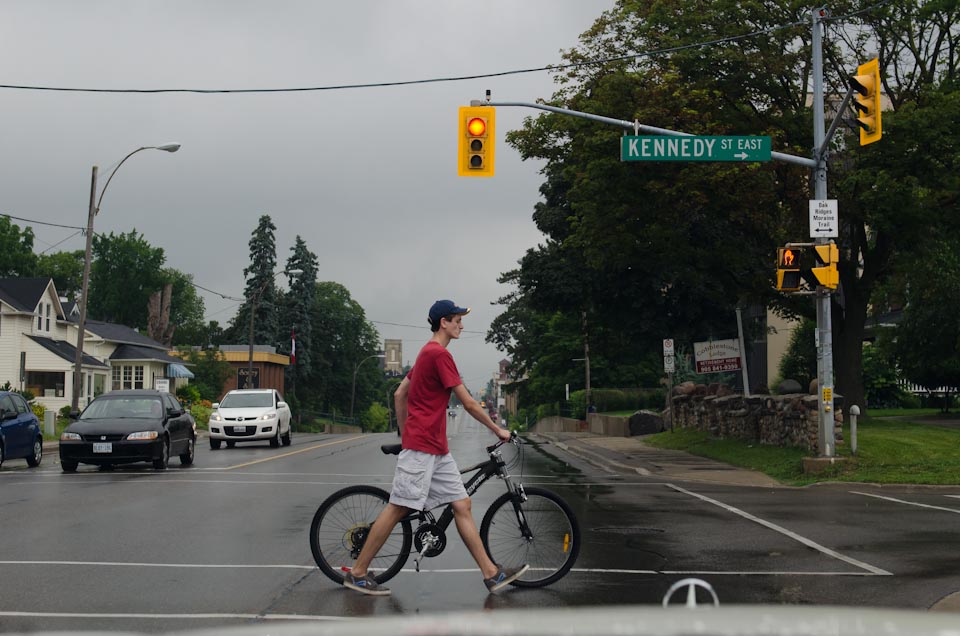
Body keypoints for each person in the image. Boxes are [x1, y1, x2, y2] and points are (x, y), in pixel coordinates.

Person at [344, 299, 528, 596]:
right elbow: (468, 402)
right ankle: (358, 572)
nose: (461, 325)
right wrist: (497, 429)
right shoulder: (438, 355)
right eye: (457, 319)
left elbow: (399, 393)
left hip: (435, 449)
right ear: (444, 321)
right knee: (399, 507)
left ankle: (491, 574)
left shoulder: (426, 355)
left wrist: (406, 433)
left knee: (461, 504)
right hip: (423, 448)